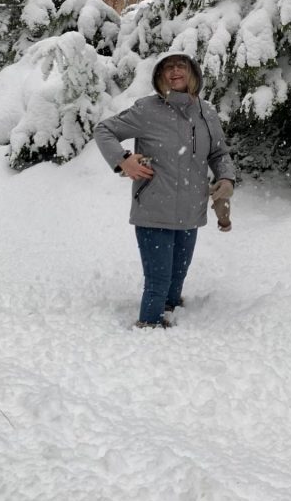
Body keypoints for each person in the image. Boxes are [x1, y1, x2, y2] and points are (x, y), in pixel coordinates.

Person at [93, 52, 236, 328]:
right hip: (154, 207)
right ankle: (149, 327)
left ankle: (170, 308)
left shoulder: (206, 112)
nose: (174, 72)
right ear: (159, 77)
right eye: (167, 69)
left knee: (178, 273)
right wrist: (123, 161)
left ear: (193, 73)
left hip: (191, 210)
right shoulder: (147, 110)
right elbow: (104, 130)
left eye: (180, 66)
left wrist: (226, 178)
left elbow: (219, 153)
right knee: (158, 278)